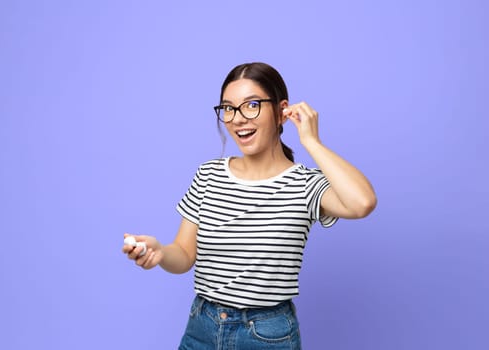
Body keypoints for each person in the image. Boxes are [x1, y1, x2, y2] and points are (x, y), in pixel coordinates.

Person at [122, 62, 377, 349]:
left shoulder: (305, 185)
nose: (238, 118)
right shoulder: (208, 174)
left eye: (252, 105)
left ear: (282, 111)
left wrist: (311, 142)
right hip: (201, 326)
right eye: (228, 108)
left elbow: (362, 203)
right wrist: (159, 253)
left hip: (267, 335)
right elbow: (183, 254)